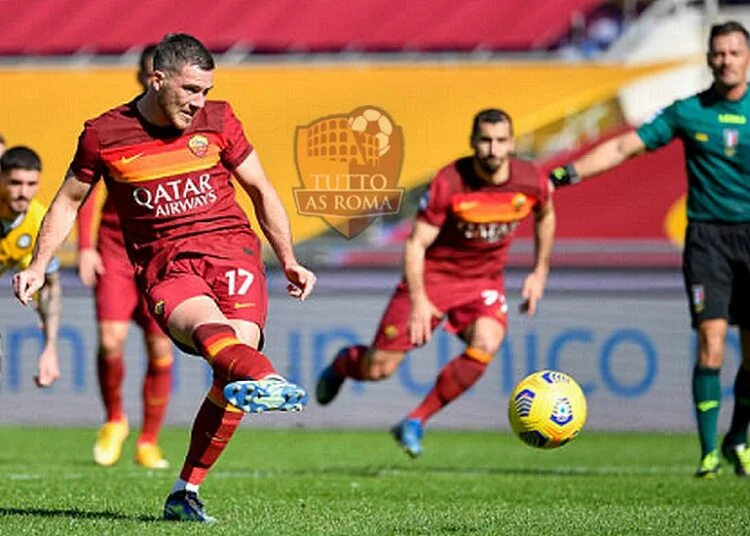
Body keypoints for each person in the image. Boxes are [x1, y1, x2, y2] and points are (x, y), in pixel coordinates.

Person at [12, 33, 316, 522]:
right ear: (157, 80)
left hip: (233, 254)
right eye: (190, 90)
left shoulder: (221, 120)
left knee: (230, 366)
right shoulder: (104, 134)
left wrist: (290, 258)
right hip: (167, 266)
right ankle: (269, 378)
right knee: (218, 343)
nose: (199, 103)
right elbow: (69, 200)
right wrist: (35, 265)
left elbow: (260, 189)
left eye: (206, 92)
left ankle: (185, 492)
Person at [548, 20, 750, 478]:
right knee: (711, 344)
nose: (725, 60)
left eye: (734, 52)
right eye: (718, 53)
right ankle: (707, 453)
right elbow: (624, 146)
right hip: (707, 239)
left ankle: (738, 438)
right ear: (709, 59)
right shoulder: (688, 112)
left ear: (747, 58)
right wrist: (564, 175)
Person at [316, 108, 556, 458]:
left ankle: (415, 421)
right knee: (378, 369)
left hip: (483, 281)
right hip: (433, 278)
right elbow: (415, 244)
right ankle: (344, 363)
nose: (493, 149)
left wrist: (539, 272)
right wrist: (419, 301)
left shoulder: (530, 180)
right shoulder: (450, 182)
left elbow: (546, 214)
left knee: (487, 341)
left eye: (500, 141)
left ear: (512, 143)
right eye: (485, 141)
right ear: (473, 142)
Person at [77, 43, 173, 470]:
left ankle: (148, 440)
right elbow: (83, 189)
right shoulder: (114, 127)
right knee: (110, 341)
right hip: (115, 249)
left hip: (159, 254)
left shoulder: (184, 129)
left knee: (159, 347)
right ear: (142, 78)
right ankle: (115, 419)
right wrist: (84, 248)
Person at [0, 146, 61, 387]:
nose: (23, 193)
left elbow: (50, 286)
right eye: (15, 183)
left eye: (31, 184)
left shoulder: (39, 222)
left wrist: (50, 347)